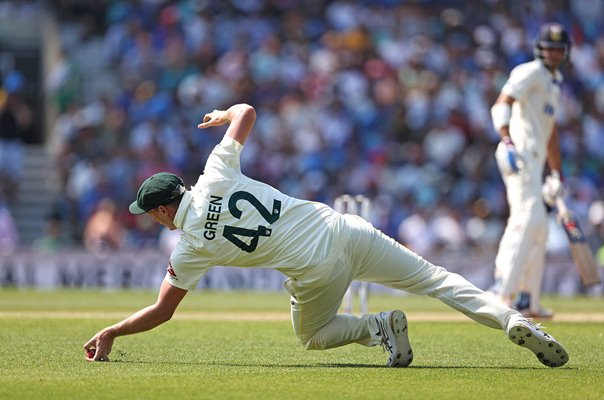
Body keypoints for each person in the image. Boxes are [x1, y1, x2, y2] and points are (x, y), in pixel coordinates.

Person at [84, 103, 569, 368]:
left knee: (313, 336)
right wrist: (221, 116)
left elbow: (162, 311)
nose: (150, 219)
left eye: (151, 212)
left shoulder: (190, 245)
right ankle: (512, 320)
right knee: (437, 279)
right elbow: (248, 111)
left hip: (315, 271)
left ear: (166, 206)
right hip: (345, 227)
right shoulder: (214, 171)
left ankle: (377, 327)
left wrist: (112, 331)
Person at [489, 23, 571, 319]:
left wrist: (556, 174)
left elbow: (551, 134)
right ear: (540, 49)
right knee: (528, 218)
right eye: (549, 48)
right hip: (517, 155)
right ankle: (502, 290)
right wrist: (506, 140)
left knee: (539, 227)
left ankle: (528, 299)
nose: (554, 53)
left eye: (559, 49)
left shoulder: (554, 84)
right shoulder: (529, 72)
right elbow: (502, 103)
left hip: (535, 164)